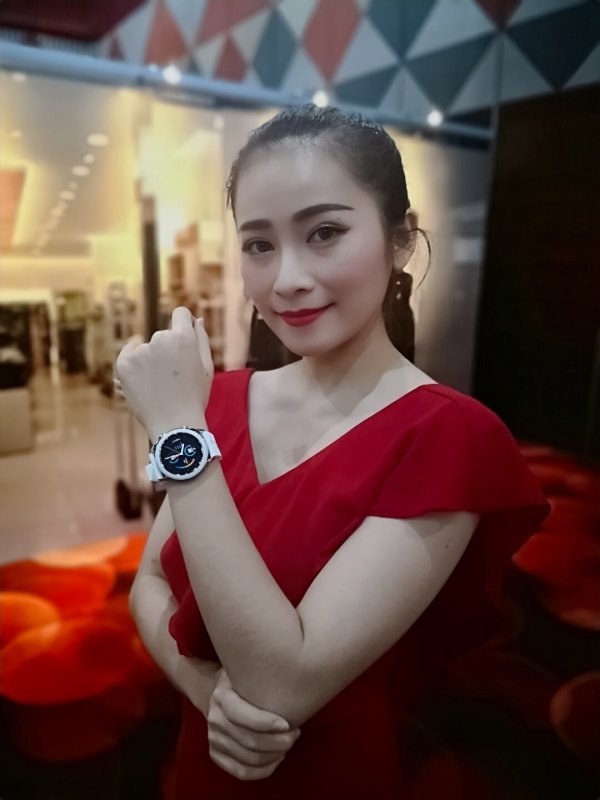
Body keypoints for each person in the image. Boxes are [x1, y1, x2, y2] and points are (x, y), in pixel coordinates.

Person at [117, 105, 551, 799]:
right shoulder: (219, 400)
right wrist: (208, 694)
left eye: (324, 233)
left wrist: (174, 428)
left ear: (400, 239)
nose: (286, 278)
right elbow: (150, 582)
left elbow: (283, 683)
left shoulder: (447, 435)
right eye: (259, 244)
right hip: (209, 757)